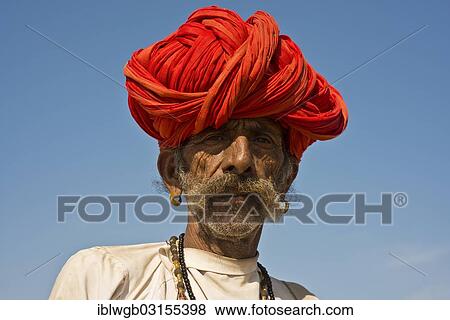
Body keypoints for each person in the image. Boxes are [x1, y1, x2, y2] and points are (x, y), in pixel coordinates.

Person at [49, 5, 348, 300]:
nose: (241, 160)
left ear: (286, 177)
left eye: (262, 141)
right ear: (172, 173)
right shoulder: (110, 279)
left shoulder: (302, 303)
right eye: (216, 137)